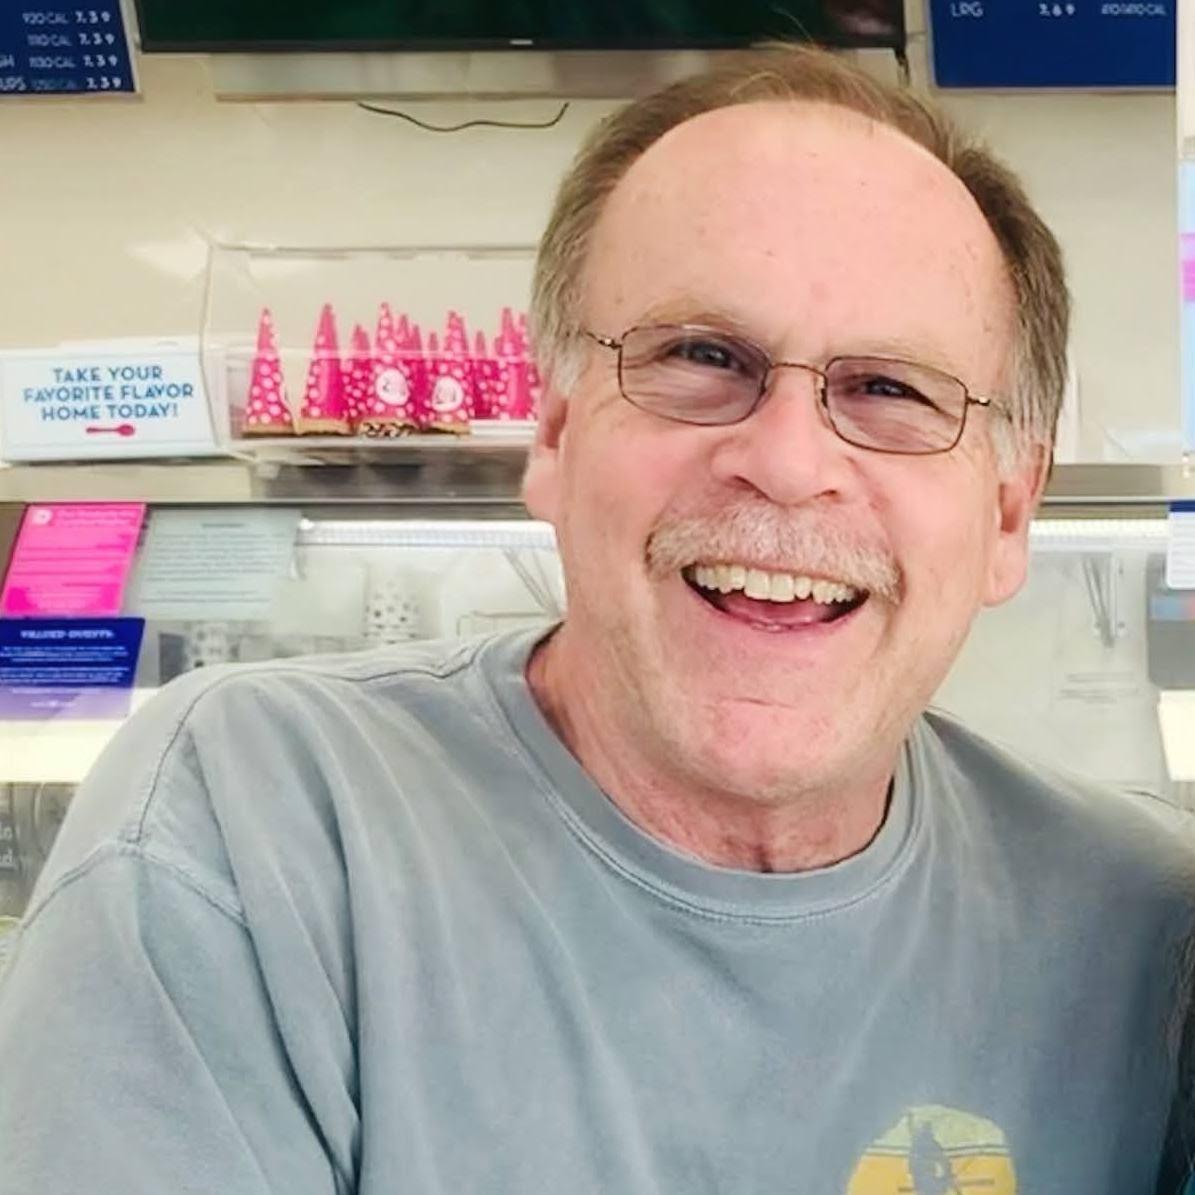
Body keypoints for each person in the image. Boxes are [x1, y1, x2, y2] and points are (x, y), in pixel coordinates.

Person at [1, 44, 1193, 1194]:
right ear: (557, 434)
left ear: (1007, 510)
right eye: (700, 355)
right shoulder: (254, 832)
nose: (786, 462)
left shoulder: (1141, 925)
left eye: (889, 388)